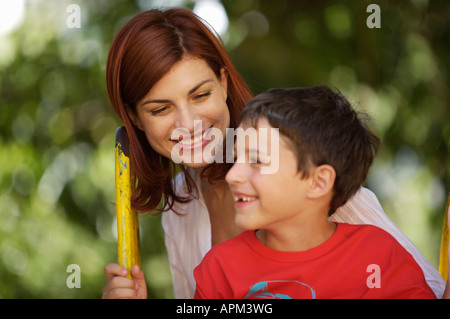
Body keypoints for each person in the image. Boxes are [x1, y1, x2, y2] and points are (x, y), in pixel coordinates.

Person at [101, 8, 445, 299]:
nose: (187, 124)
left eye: (200, 95)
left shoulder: (305, 173)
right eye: (160, 109)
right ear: (135, 117)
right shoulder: (180, 210)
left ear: (222, 82)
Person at [194, 86, 435, 298]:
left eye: (257, 160)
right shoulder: (219, 270)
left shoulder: (379, 256)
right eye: (236, 158)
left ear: (319, 182)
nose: (232, 175)